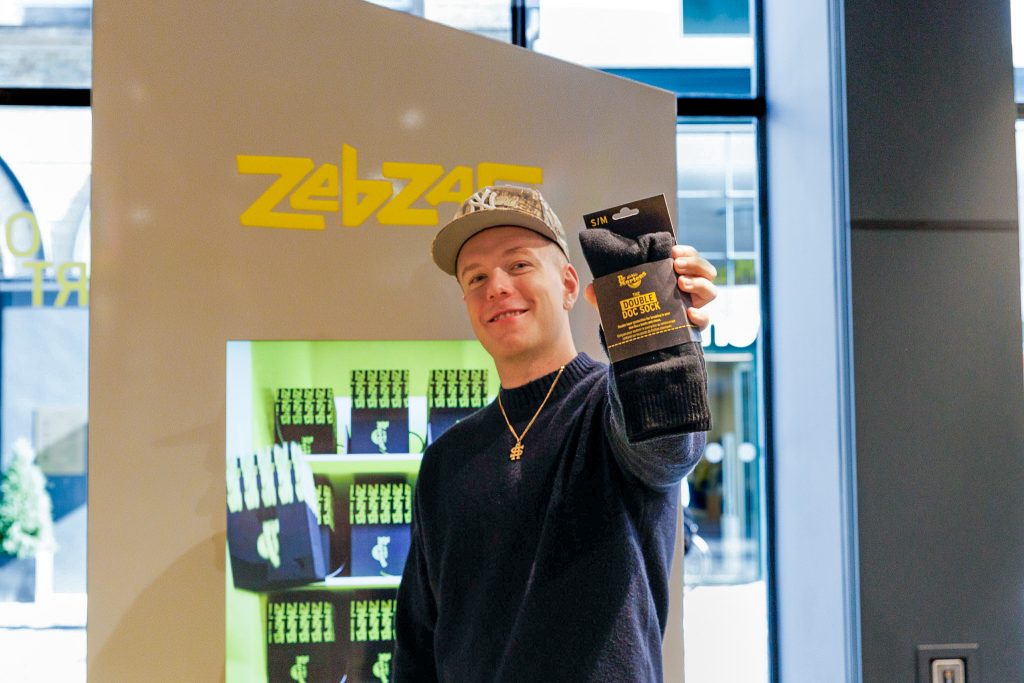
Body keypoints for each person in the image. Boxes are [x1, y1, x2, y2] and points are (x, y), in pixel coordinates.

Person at [391, 185, 717, 682]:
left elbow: (669, 447)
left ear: (569, 285)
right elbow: (418, 643)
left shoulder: (611, 410)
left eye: (518, 265)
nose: (496, 286)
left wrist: (664, 341)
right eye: (475, 276)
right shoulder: (447, 459)